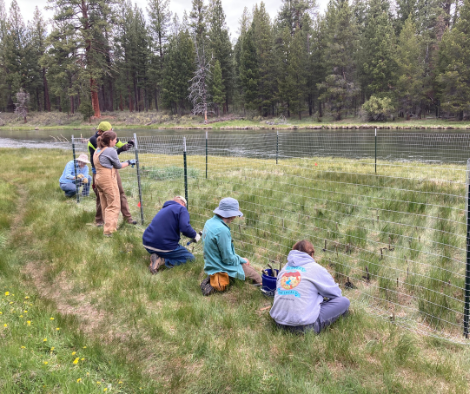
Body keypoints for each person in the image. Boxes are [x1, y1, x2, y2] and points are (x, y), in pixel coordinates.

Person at [270, 240, 350, 334]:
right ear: (312, 254)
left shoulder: (284, 269)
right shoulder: (315, 268)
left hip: (278, 322)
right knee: (344, 301)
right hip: (304, 327)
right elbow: (336, 294)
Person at [200, 197, 262, 296]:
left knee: (246, 267)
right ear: (231, 214)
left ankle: (216, 277)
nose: (236, 216)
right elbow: (227, 259)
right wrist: (242, 260)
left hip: (210, 262)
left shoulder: (209, 222)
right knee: (258, 278)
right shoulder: (222, 230)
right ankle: (224, 279)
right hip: (220, 265)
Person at [88, 121, 136, 226]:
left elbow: (119, 145)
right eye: (109, 131)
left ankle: (128, 218)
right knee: (101, 196)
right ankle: (99, 221)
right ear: (101, 132)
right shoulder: (93, 140)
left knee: (121, 192)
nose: (111, 132)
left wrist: (128, 145)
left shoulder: (110, 137)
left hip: (112, 169)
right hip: (99, 171)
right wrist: (120, 150)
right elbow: (106, 154)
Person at [142, 196, 200, 274]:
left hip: (147, 243)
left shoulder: (165, 208)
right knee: (191, 259)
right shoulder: (181, 209)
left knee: (171, 248)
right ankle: (162, 260)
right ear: (183, 204)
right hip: (163, 246)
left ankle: (157, 255)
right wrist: (195, 235)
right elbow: (185, 228)